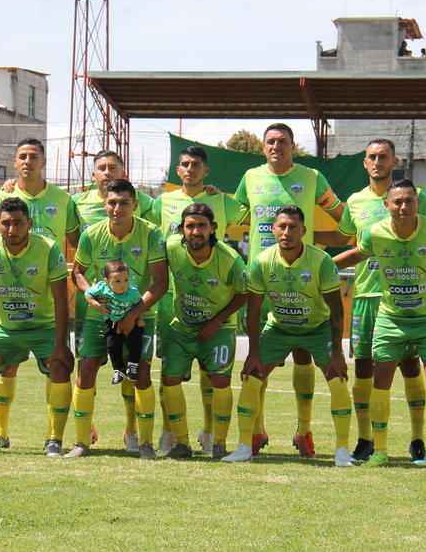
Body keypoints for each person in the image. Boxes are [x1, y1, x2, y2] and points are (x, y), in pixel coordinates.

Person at [315, 138, 426, 463]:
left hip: (410, 301)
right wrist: (308, 242)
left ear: (394, 160)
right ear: (364, 162)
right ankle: (366, 441)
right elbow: (348, 240)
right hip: (367, 295)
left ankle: (418, 441)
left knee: (413, 366)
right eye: (371, 156)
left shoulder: (416, 198)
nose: (377, 161)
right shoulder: (354, 202)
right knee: (366, 369)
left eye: (383, 156)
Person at [234, 123, 345, 459]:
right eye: (271, 142)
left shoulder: (312, 178)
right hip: (262, 274)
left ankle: (303, 430)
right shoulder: (250, 178)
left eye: (283, 141)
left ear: (294, 146)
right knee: (258, 356)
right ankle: (256, 431)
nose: (276, 146)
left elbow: (344, 221)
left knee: (303, 355)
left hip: (304, 275)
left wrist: (313, 241)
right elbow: (235, 216)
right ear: (263, 147)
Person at [221, 206, 353, 467]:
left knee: (337, 379)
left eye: (293, 227)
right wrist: (254, 352)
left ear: (304, 231)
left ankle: (342, 451)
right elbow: (255, 309)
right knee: (252, 377)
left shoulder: (321, 261)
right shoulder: (262, 261)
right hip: (279, 329)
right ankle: (245, 445)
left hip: (317, 329)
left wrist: (337, 352)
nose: (287, 232)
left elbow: (337, 309)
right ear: (273, 230)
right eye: (282, 226)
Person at [145, 144, 247, 453]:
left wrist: (218, 320)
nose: (190, 169)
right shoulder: (164, 208)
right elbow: (128, 207)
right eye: (185, 164)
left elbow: (256, 209)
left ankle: (214, 438)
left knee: (215, 377)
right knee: (169, 373)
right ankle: (173, 436)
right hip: (176, 308)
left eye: (196, 165)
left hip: (217, 314)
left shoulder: (220, 207)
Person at [0, 138, 81, 450]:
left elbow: (80, 242)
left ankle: (54, 437)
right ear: (14, 163)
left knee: (57, 369)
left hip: (50, 302)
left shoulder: (63, 199)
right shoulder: (2, 197)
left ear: (44, 161)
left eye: (34, 156)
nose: (28, 162)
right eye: (22, 157)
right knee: (7, 365)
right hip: (11, 300)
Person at [0, 196, 74, 456]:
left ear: (29, 223)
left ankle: (53, 439)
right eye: (6, 223)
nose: (12, 230)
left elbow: (60, 298)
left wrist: (60, 344)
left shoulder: (48, 247)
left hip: (44, 327)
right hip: (5, 329)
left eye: (18, 223)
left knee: (60, 366)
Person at [69, 178, 168, 460]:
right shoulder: (92, 234)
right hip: (98, 318)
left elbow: (160, 282)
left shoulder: (151, 234)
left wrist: (133, 314)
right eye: (112, 202)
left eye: (124, 203)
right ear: (104, 204)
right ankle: (81, 442)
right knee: (86, 370)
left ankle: (146, 444)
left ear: (135, 204)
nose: (117, 208)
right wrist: (93, 296)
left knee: (141, 374)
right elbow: (78, 272)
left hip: (139, 318)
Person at [160, 203, 248, 459]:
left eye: (201, 225)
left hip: (218, 330)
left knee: (220, 380)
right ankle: (182, 444)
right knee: (169, 380)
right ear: (182, 229)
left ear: (213, 229)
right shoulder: (171, 247)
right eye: (190, 226)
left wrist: (217, 321)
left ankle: (218, 443)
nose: (195, 231)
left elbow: (244, 294)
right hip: (182, 329)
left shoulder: (230, 259)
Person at [84, 260, 145, 386]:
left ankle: (133, 366)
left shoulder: (132, 293)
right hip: (112, 322)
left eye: (126, 280)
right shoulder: (102, 288)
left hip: (131, 322)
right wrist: (96, 305)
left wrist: (138, 318)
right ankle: (118, 370)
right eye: (117, 281)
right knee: (112, 345)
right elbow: (87, 293)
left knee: (135, 341)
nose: (123, 284)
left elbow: (140, 304)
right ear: (107, 281)